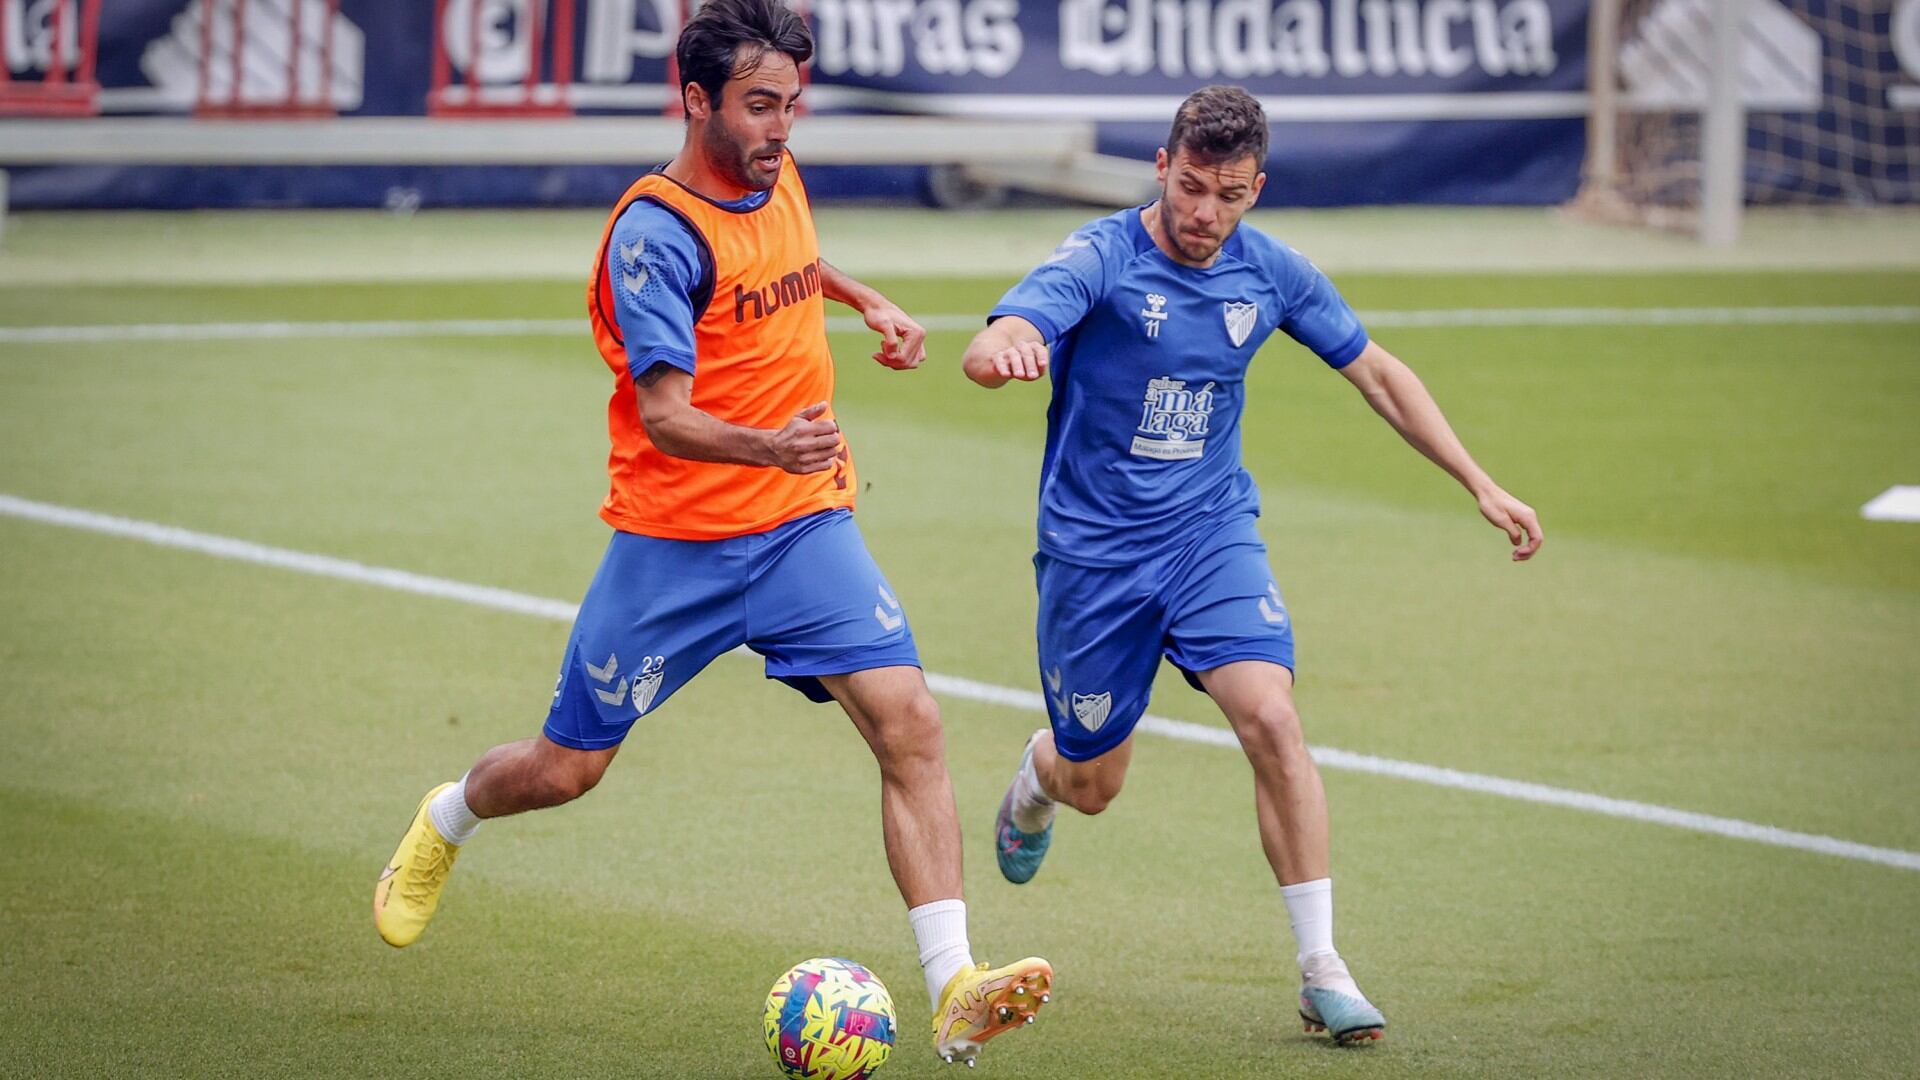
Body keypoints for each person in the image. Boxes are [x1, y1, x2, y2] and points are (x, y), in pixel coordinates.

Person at [373, 0, 1050, 1064]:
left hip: (799, 528)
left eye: (791, 104)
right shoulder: (654, 234)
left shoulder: (775, 171)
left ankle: (953, 982)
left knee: (910, 722)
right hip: (676, 543)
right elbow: (666, 415)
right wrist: (774, 445)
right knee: (564, 770)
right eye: (758, 105)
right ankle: (449, 816)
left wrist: (864, 297)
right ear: (696, 101)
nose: (781, 127)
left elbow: (784, 262)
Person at [961, 85, 1542, 1046]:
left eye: (1229, 195)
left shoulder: (1270, 273)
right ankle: (1037, 774)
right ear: (1162, 166)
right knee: (1094, 782)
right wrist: (1006, 350)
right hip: (1095, 560)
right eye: (1191, 187)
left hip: (1208, 536)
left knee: (1272, 717)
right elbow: (1001, 337)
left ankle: (1322, 969)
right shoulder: (1101, 257)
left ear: (1255, 188)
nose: (1204, 214)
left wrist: (1478, 481)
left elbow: (1379, 373)